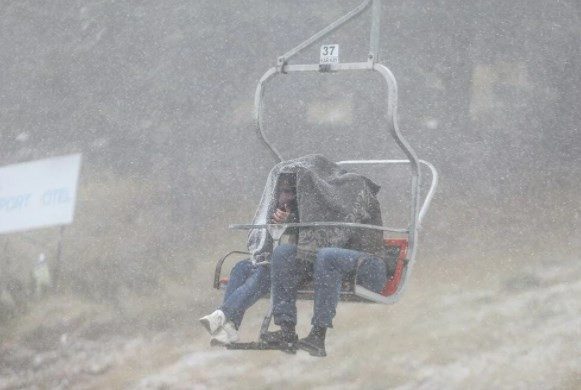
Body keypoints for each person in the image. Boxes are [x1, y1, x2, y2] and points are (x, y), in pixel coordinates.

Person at [261, 155, 389, 357]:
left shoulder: (355, 194)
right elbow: (319, 229)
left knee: (327, 255)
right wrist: (290, 219)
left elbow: (335, 231)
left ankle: (318, 334)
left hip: (369, 265)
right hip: (338, 264)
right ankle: (286, 329)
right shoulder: (328, 203)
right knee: (283, 253)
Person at [199, 174, 298, 345]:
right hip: (276, 260)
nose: (285, 197)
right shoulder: (278, 208)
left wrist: (291, 220)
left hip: (297, 263)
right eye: (282, 192)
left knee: (264, 272)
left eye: (289, 192)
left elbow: (306, 232)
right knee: (241, 267)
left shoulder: (306, 207)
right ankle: (230, 327)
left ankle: (223, 314)